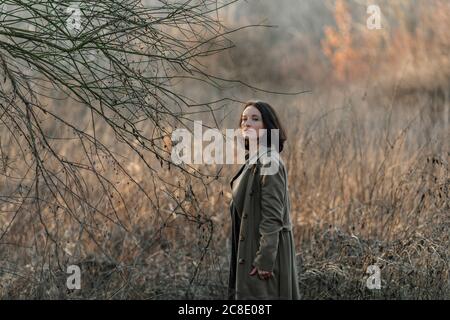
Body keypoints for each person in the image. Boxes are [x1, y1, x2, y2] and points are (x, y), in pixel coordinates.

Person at [228, 100, 300, 300]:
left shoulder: (270, 161)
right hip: (249, 251)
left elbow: (272, 216)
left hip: (263, 260)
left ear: (267, 127)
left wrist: (265, 260)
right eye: (244, 119)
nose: (247, 123)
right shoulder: (255, 160)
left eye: (254, 119)